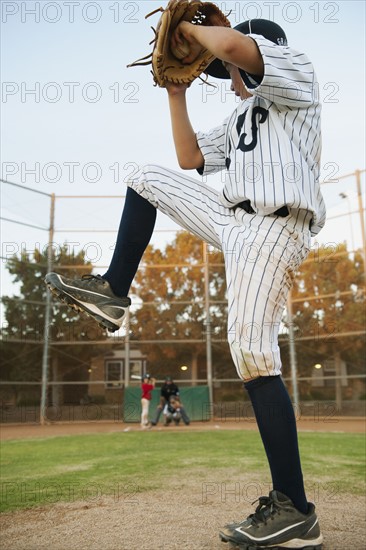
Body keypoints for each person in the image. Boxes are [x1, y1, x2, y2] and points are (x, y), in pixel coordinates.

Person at [45, 15, 325, 549]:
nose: (227, 74)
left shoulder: (296, 75)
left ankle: (294, 507)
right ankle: (113, 293)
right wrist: (176, 93)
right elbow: (190, 158)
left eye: (227, 66)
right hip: (230, 216)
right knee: (145, 178)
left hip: (273, 226)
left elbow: (235, 46)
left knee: (251, 352)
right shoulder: (244, 117)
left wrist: (194, 36)